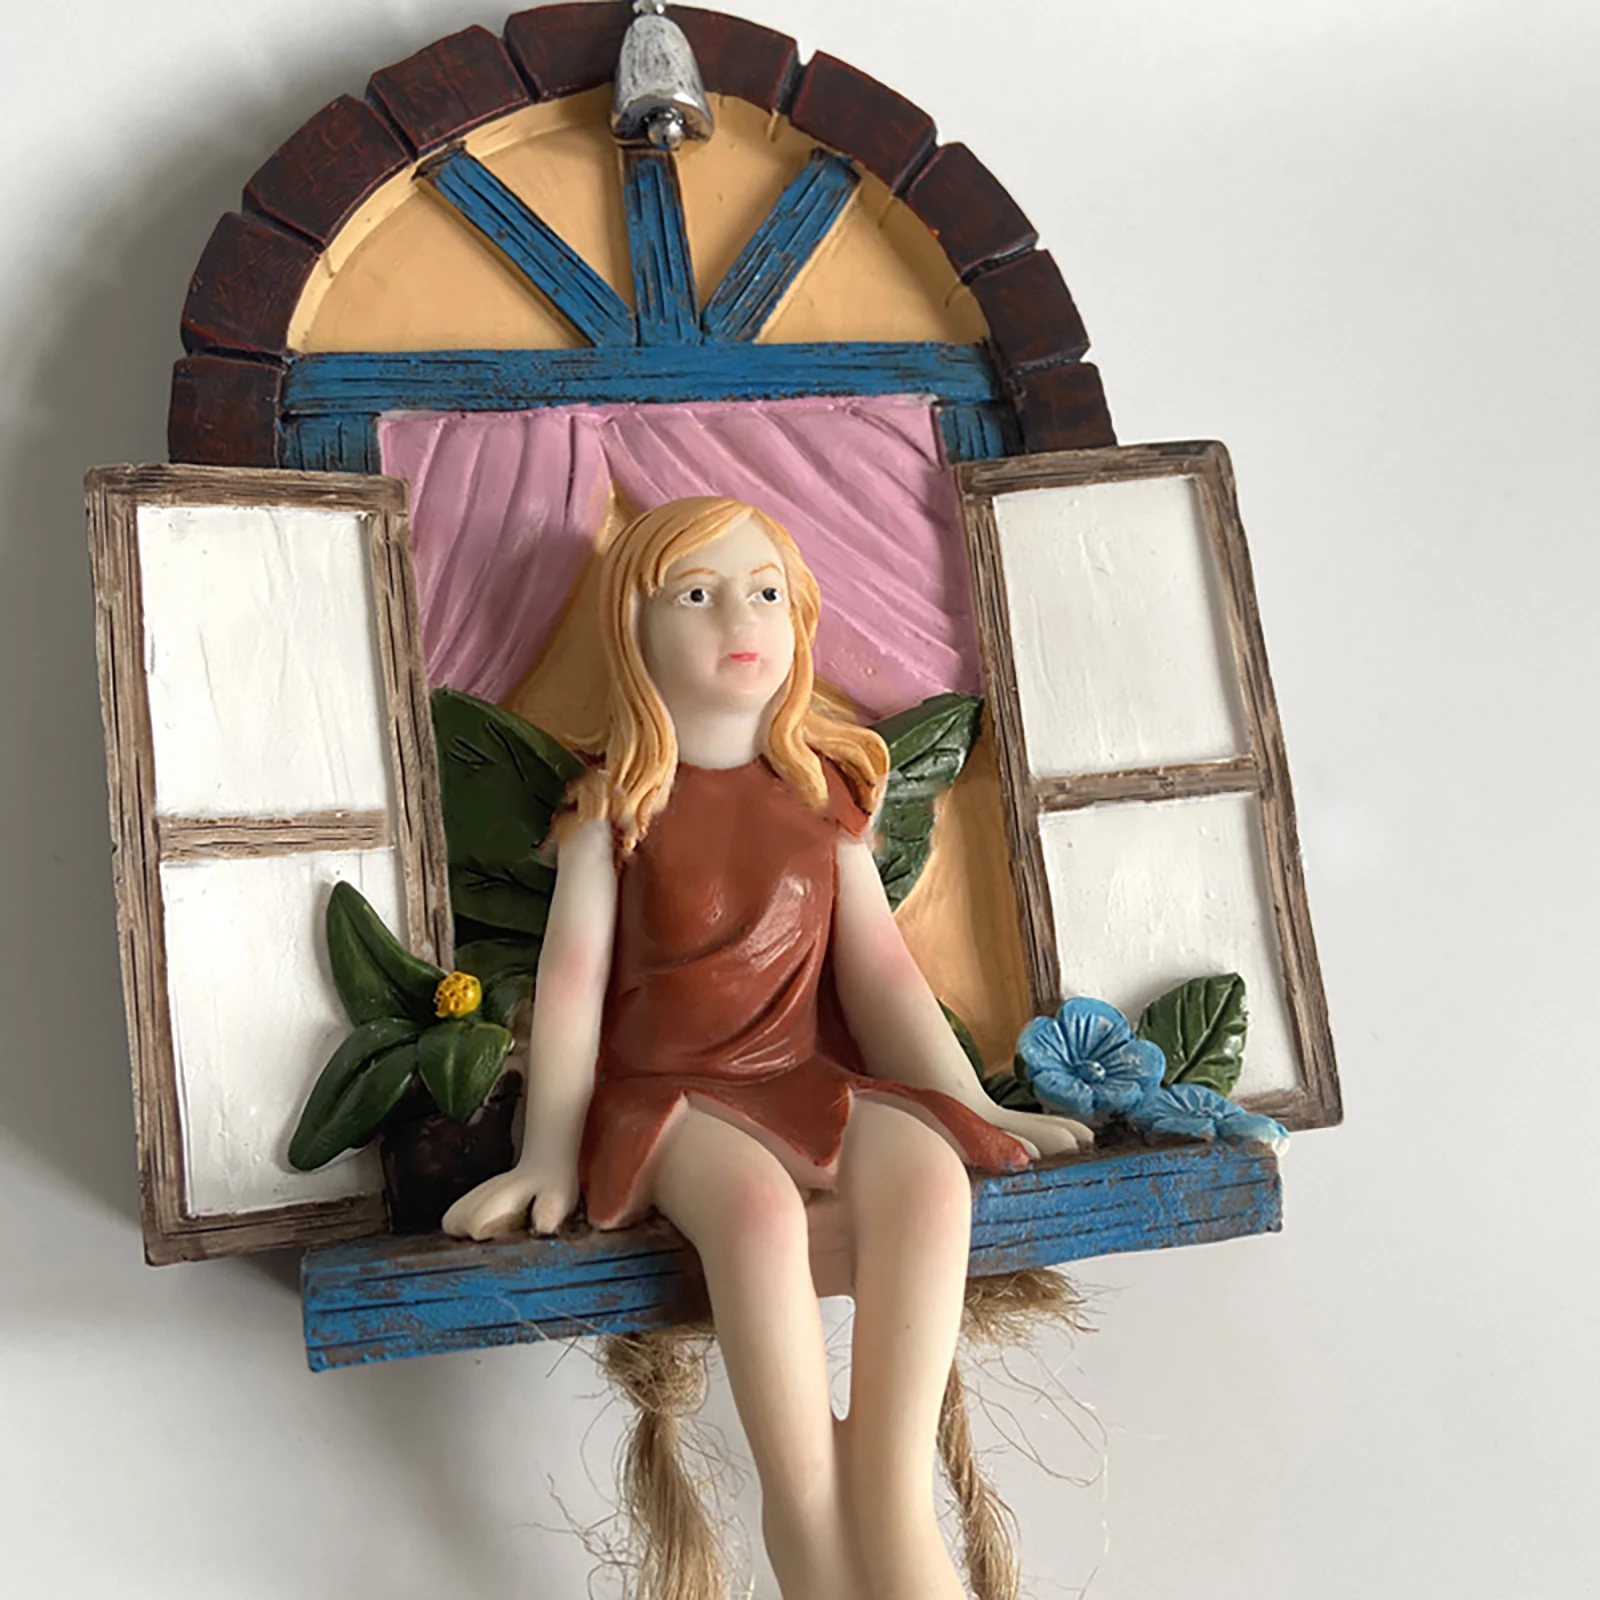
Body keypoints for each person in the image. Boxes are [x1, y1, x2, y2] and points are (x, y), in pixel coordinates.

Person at [443, 496, 1091, 1600]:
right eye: (696, 594)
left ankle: (891, 1499)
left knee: (929, 1175)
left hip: (797, 1077)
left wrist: (977, 1107)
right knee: (754, 1213)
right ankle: (807, 1528)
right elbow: (571, 988)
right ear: (635, 628)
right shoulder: (612, 812)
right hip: (670, 1101)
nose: (739, 618)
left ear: (800, 616)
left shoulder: (820, 800)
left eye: (765, 591)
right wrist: (546, 1152)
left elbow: (883, 980)